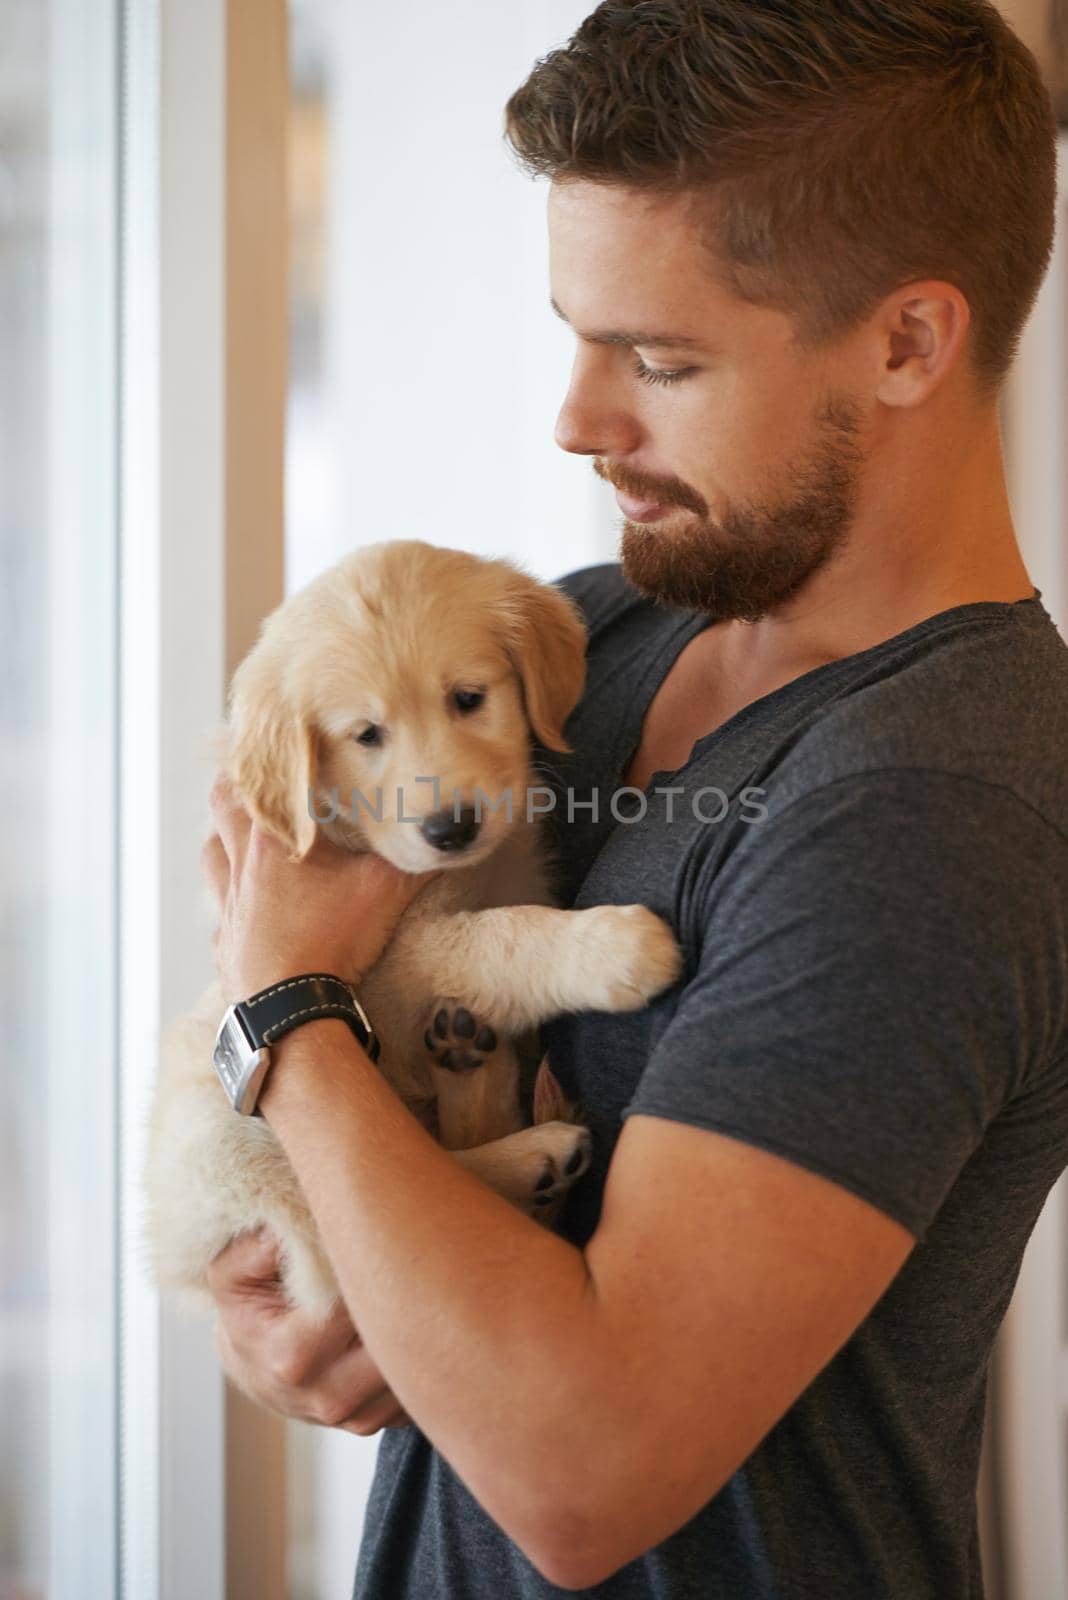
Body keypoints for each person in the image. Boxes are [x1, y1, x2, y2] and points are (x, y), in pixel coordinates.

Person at [201, 2, 1068, 1595]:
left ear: (908, 341)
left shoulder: (927, 807)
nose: (579, 418)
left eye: (660, 360)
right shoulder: (585, 637)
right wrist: (282, 1294)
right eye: (578, 335)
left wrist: (283, 1024)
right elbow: (286, 895)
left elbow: (583, 1474)